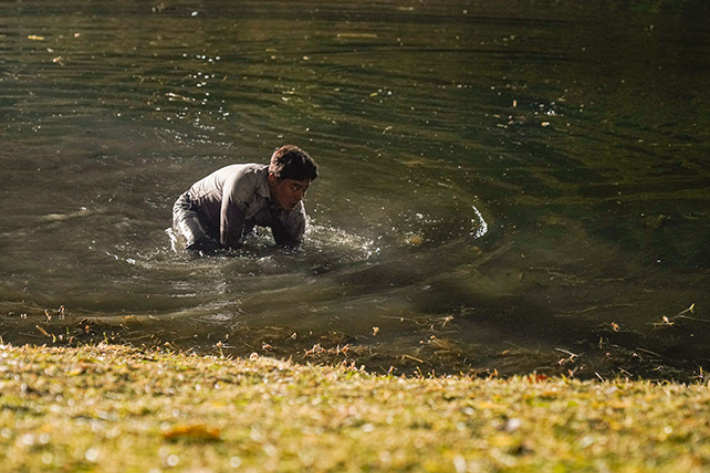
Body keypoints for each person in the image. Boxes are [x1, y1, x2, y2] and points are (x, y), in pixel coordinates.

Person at [172, 145, 318, 252]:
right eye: (295, 188)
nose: (299, 197)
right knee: (204, 250)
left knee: (288, 249)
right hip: (194, 209)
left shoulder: (294, 208)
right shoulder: (243, 182)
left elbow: (295, 249)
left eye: (304, 189)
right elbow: (229, 244)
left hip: (238, 218)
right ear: (273, 179)